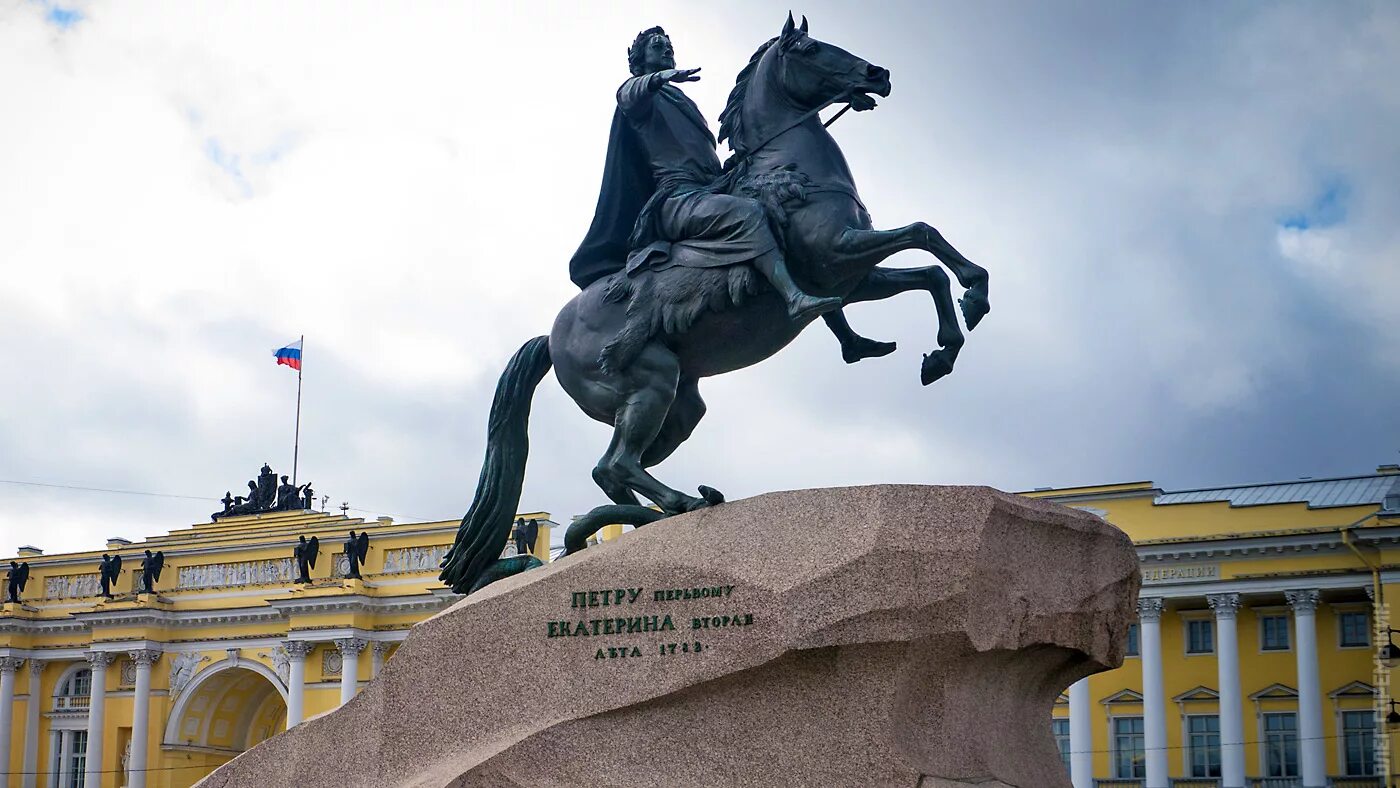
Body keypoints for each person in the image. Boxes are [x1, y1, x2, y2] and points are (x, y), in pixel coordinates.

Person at [572, 26, 842, 324]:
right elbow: (627, 94)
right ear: (640, 61)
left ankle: (846, 336)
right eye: (657, 45)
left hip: (710, 189)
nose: (666, 49)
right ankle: (793, 298)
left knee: (789, 217)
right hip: (677, 199)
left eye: (669, 44)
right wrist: (659, 78)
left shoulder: (683, 102)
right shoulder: (642, 98)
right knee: (749, 213)